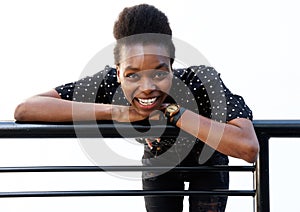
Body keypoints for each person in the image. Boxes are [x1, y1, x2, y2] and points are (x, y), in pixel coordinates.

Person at [14, 4, 259, 212]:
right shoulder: (109, 83)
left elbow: (248, 148)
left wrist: (172, 111)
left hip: (208, 164)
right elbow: (26, 109)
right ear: (118, 73)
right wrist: (118, 112)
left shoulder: (200, 80)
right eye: (133, 75)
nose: (147, 87)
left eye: (159, 73)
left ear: (172, 68)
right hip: (159, 164)